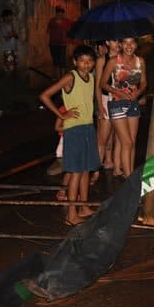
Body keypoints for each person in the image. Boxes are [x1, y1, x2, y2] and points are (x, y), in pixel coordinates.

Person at [39, 45, 100, 226]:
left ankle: (83, 207)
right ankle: (71, 215)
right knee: (75, 173)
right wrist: (62, 115)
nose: (86, 64)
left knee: (85, 170)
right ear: (75, 62)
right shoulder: (70, 77)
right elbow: (45, 96)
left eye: (89, 61)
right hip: (74, 130)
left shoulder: (91, 77)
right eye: (82, 61)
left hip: (88, 128)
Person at [100, 36, 146, 179]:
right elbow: (103, 83)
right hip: (117, 103)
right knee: (127, 142)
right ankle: (129, 177)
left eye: (132, 42)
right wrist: (119, 93)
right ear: (120, 45)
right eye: (125, 42)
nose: (129, 46)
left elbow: (144, 82)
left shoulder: (140, 61)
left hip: (133, 103)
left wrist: (138, 93)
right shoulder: (114, 61)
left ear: (136, 45)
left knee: (132, 142)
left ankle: (129, 173)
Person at [95, 39, 121, 177]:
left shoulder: (124, 58)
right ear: (107, 42)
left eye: (119, 41)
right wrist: (100, 106)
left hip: (120, 100)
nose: (118, 44)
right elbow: (98, 86)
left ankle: (113, 163)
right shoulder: (102, 60)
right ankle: (95, 171)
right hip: (106, 99)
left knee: (117, 136)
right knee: (102, 138)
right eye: (114, 41)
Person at [46, 6, 72, 78]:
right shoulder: (52, 21)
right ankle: (57, 77)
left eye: (62, 13)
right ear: (56, 13)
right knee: (55, 60)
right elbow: (48, 31)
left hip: (62, 44)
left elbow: (71, 29)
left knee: (62, 60)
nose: (60, 15)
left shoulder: (66, 21)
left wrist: (68, 39)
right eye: (59, 13)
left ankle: (62, 77)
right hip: (53, 44)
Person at [0, 9, 19, 74]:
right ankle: (8, 78)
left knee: (14, 65)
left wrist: (14, 34)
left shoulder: (11, 25)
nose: (11, 17)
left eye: (11, 16)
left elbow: (16, 36)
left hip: (13, 48)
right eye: (10, 16)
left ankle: (13, 77)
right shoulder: (3, 26)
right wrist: (13, 34)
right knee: (9, 67)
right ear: (5, 17)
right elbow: (6, 38)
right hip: (8, 49)